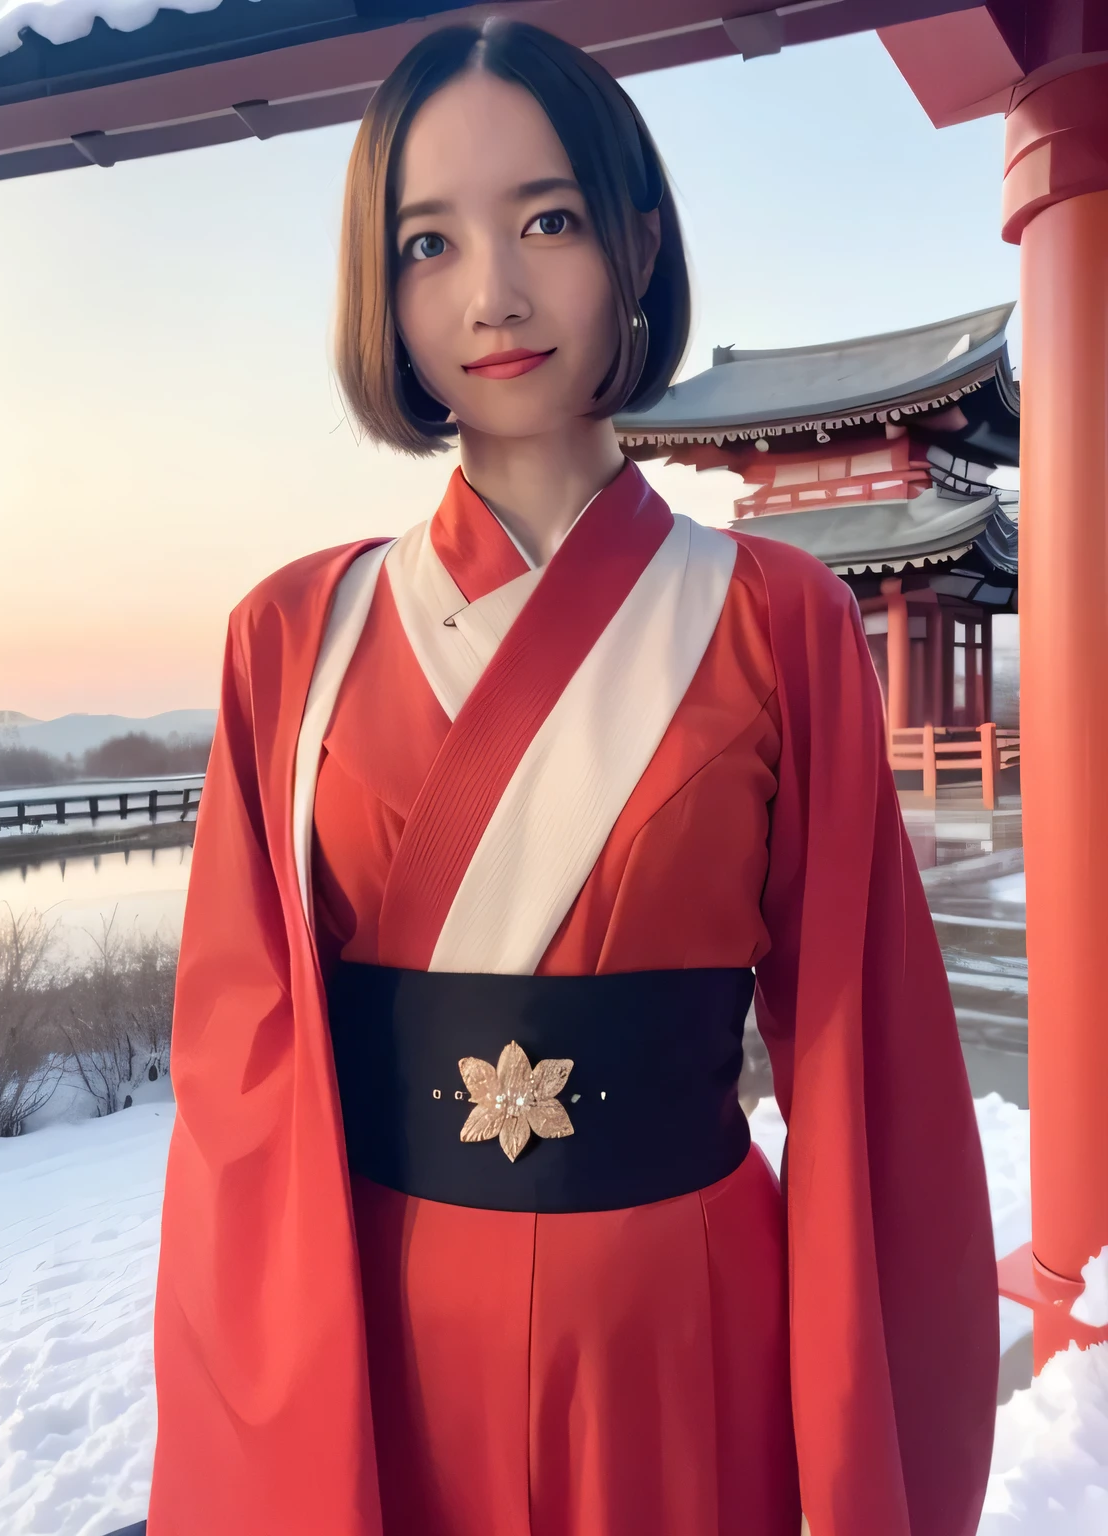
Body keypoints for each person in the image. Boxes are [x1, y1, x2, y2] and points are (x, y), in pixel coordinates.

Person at [138, 19, 998, 1536]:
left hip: (686, 1336)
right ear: (377, 288)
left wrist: (874, 1450)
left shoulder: (776, 619)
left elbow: (866, 1077)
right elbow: (243, 1102)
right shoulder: (293, 639)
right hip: (390, 1349)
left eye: (548, 219)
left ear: (637, 245)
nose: (494, 293)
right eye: (426, 242)